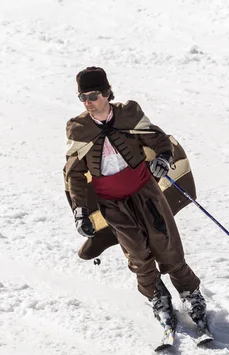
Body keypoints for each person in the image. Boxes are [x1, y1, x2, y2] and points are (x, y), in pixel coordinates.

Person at [63, 66, 208, 333]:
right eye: (82, 97)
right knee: (137, 253)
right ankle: (157, 296)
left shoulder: (129, 113)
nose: (88, 102)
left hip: (145, 191)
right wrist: (80, 211)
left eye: (93, 95)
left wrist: (163, 158)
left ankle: (190, 294)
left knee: (166, 243)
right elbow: (73, 173)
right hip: (112, 203)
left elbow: (159, 138)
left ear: (106, 93)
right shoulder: (79, 128)